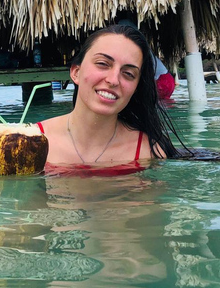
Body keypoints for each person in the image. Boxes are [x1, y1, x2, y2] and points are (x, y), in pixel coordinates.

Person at [35, 24, 199, 176]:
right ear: (76, 72)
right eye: (102, 64)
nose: (113, 80)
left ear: (135, 88)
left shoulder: (149, 151)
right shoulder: (30, 140)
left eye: (128, 74)